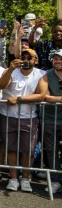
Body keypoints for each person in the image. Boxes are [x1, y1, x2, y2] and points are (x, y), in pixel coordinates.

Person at [0, 48, 46, 192]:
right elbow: (0, 86)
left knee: (28, 151)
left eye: (29, 58)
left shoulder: (41, 74)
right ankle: (12, 178)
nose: (26, 60)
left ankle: (25, 179)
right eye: (23, 57)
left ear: (35, 60)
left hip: (29, 118)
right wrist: (10, 70)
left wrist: (18, 99)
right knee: (11, 149)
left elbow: (41, 95)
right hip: (8, 116)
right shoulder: (11, 71)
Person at [41, 49, 62, 193]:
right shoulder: (47, 74)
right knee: (51, 150)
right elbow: (44, 96)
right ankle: (55, 180)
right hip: (50, 118)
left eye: (60, 59)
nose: (58, 62)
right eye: (56, 59)